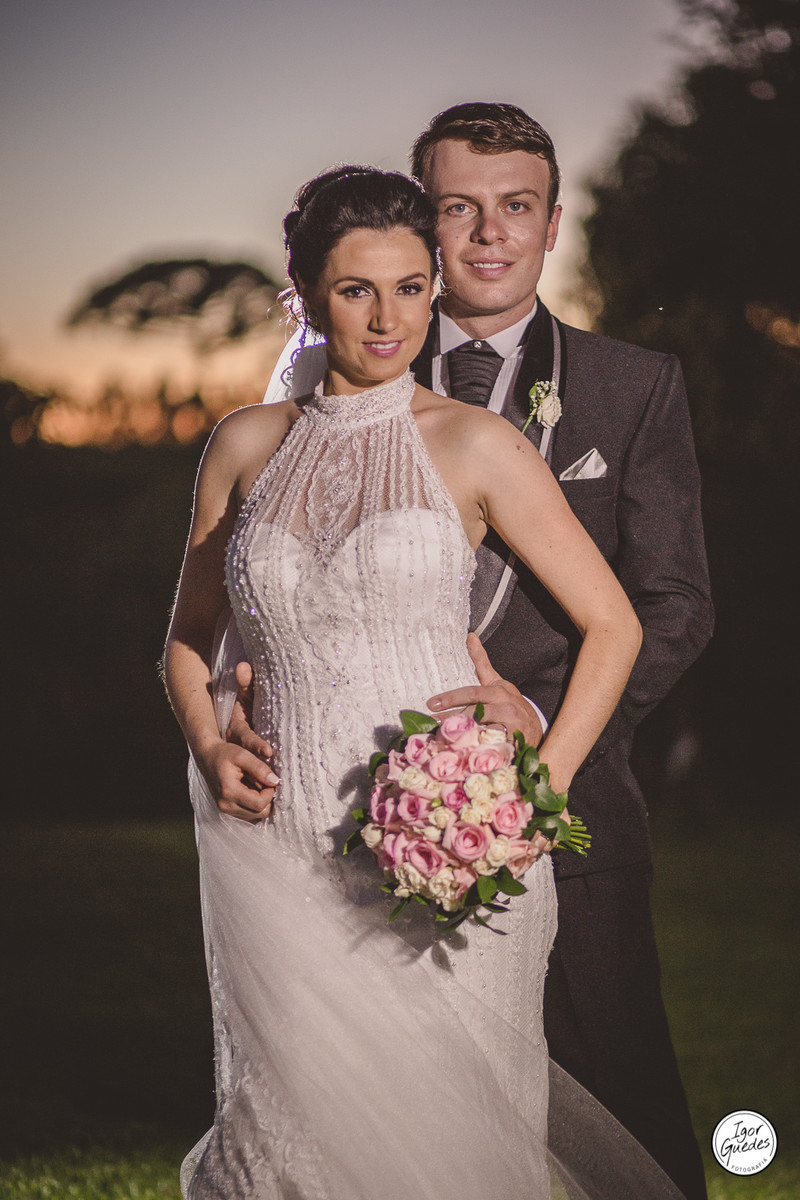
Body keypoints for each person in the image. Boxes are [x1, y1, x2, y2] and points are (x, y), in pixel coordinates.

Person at [229, 103, 714, 1199]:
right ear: (421, 227)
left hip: (564, 801)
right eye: (459, 210)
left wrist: (530, 748)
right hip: (346, 809)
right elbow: (263, 574)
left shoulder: (632, 386)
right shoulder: (332, 371)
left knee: (623, 1101)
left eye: (517, 209)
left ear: (551, 229)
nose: (489, 235)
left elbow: (673, 604)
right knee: (383, 1098)